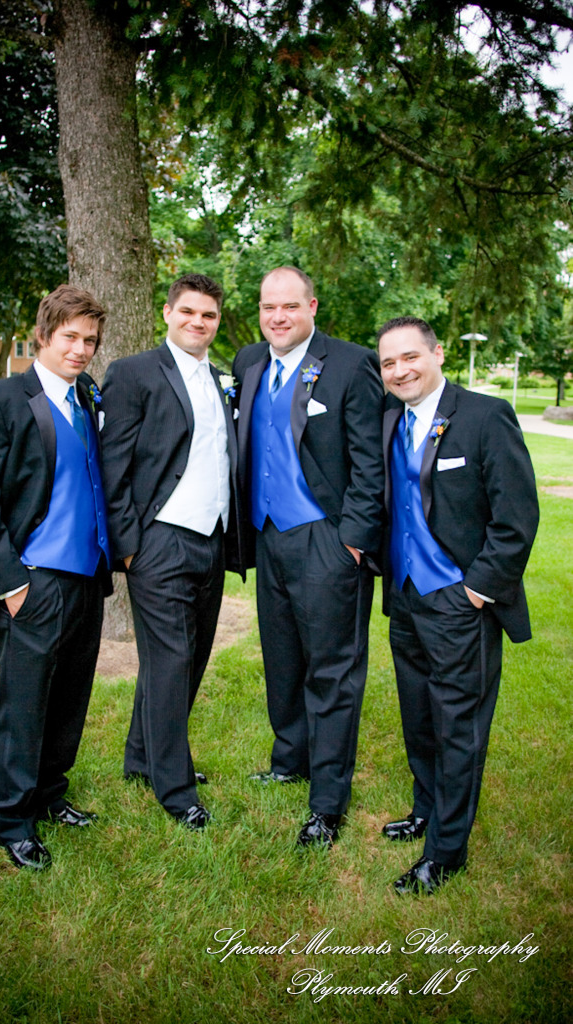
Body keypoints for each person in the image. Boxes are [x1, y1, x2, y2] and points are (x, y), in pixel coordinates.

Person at [377, 315, 539, 895]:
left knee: (459, 727)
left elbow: (517, 517)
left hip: (459, 602)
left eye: (409, 357)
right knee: (420, 718)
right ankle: (426, 810)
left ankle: (446, 852)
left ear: (438, 354)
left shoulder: (485, 416)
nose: (400, 370)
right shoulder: (390, 417)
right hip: (405, 597)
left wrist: (477, 588)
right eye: (389, 363)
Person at [0, 285, 111, 870]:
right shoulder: (2, 400)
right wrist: (12, 584)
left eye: (89, 340)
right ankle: (13, 819)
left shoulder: (87, 394)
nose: (80, 349)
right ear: (43, 335)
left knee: (69, 696)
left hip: (86, 576)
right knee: (22, 704)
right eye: (69, 336)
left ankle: (50, 795)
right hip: (33, 580)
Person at [232, 266, 384, 847]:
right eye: (269, 306)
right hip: (268, 536)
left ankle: (328, 800)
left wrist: (353, 538)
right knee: (283, 658)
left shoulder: (349, 363)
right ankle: (288, 758)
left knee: (333, 670)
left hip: (326, 537)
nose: (278, 317)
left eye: (290, 306)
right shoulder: (249, 363)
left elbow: (369, 462)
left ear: (312, 306)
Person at [100, 273, 244, 830]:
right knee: (171, 660)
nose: (197, 322)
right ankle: (175, 787)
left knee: (194, 655)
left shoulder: (222, 376)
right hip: (158, 542)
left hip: (212, 538)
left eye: (208, 315)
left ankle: (144, 757)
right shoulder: (133, 373)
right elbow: (114, 465)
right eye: (187, 312)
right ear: (167, 313)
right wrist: (130, 547)